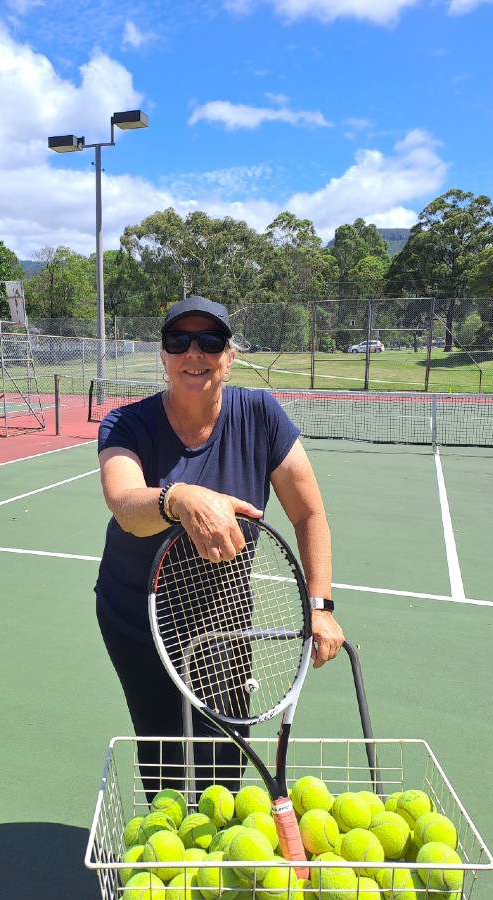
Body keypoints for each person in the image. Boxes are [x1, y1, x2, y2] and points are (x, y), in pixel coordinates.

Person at [95, 295, 344, 801]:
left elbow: (308, 512)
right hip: (136, 619)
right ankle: (172, 863)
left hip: (223, 623)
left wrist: (320, 606)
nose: (195, 352)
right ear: (163, 356)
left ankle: (216, 865)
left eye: (210, 341)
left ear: (229, 356)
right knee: (162, 749)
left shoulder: (260, 415)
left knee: (222, 762)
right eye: (178, 340)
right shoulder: (127, 424)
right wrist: (179, 498)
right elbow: (124, 502)